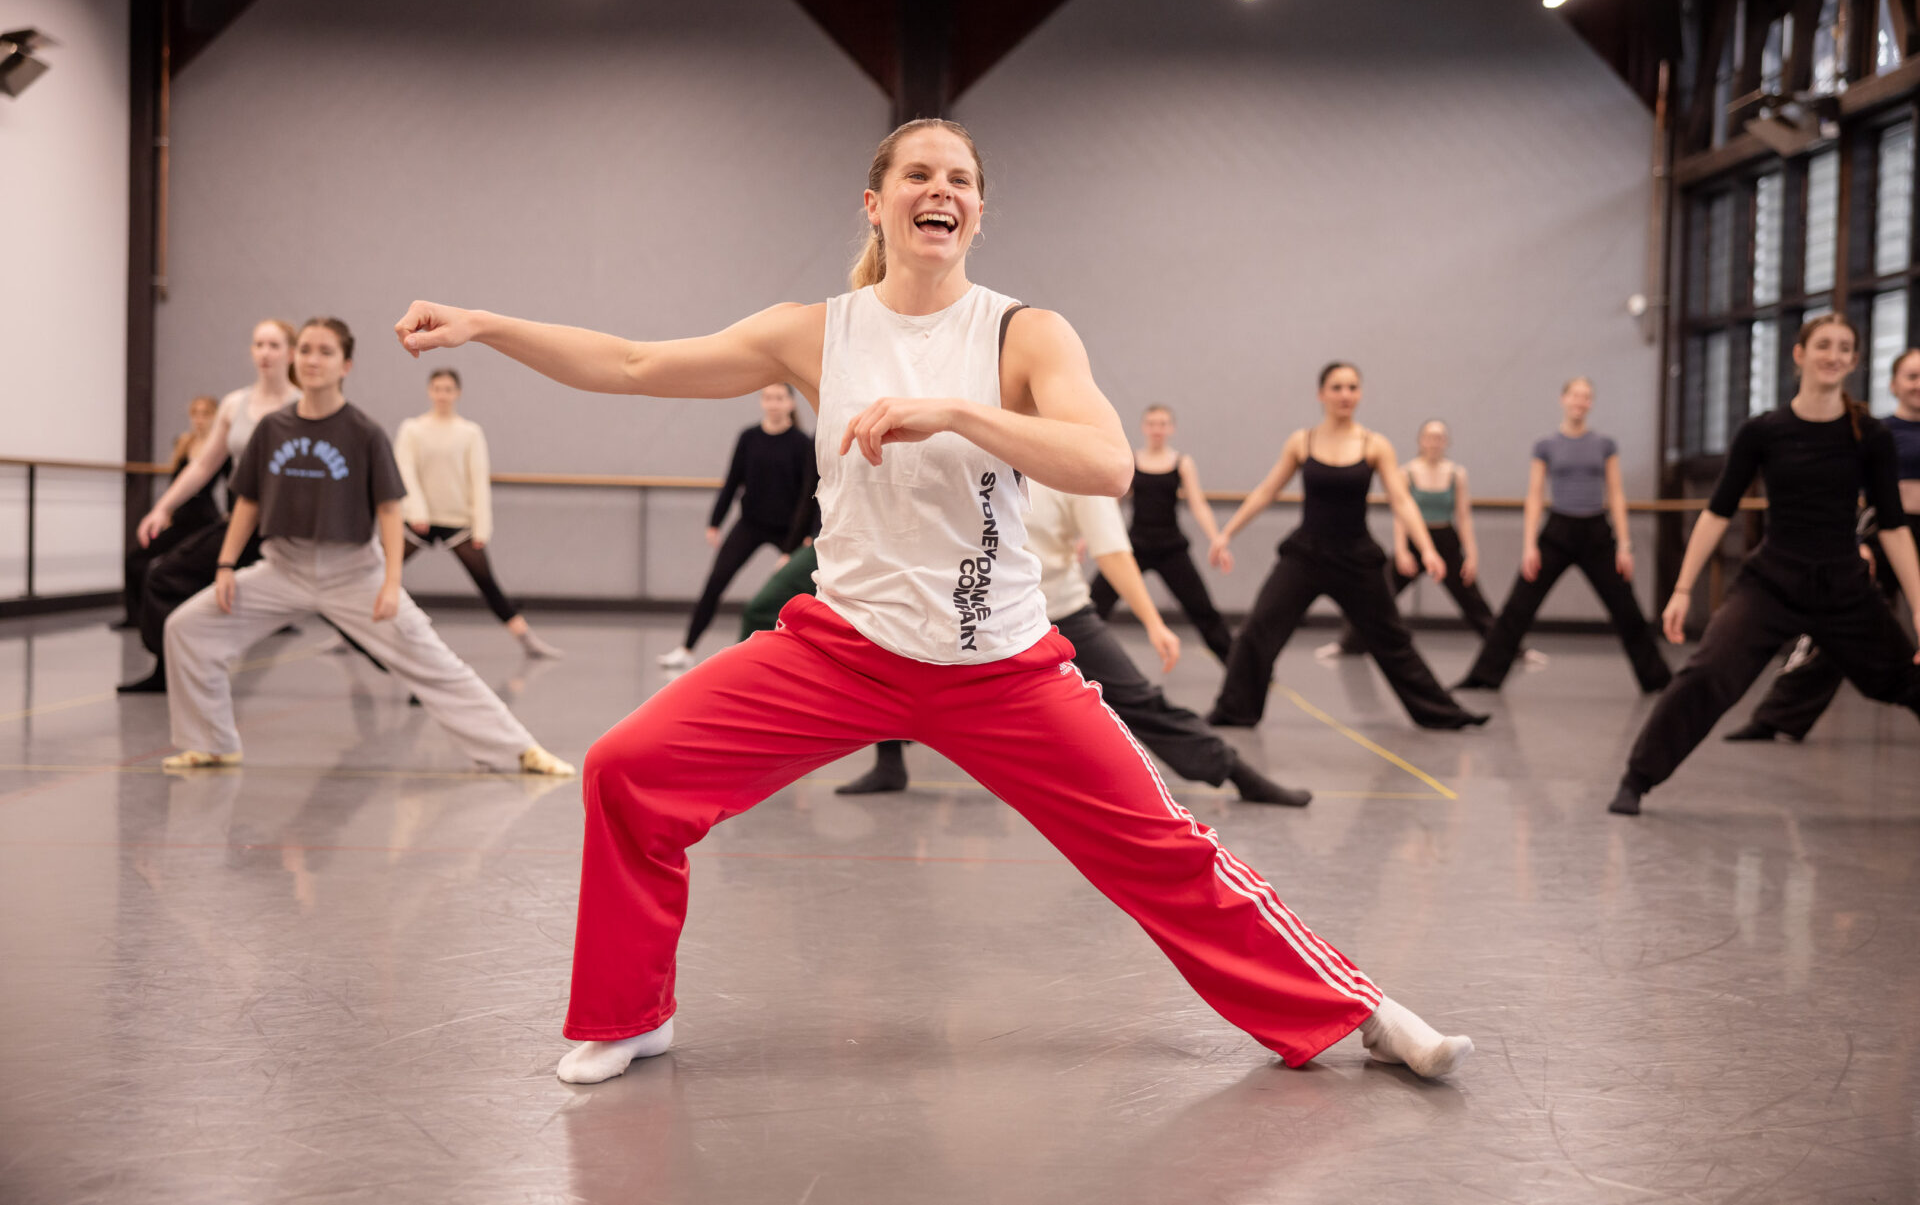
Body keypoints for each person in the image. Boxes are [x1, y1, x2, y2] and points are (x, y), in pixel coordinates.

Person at [394, 119, 1473, 1085]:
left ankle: (1358, 1008)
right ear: (878, 203)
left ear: (978, 211)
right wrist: (489, 325)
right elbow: (631, 363)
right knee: (627, 772)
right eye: (917, 172)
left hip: (1003, 665)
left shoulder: (1024, 335)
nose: (937, 188)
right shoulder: (815, 331)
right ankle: (630, 1017)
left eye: (958, 176)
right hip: (841, 651)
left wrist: (957, 414)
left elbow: (1105, 466)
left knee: (1165, 850)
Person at [161, 316, 575, 779]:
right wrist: (224, 565)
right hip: (283, 569)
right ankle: (212, 744)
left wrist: (392, 583)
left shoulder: (363, 432)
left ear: (346, 365)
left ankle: (519, 750)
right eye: (306, 351)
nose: (312, 360)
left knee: (433, 660)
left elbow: (391, 511)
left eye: (325, 352)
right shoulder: (272, 428)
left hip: (353, 573)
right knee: (187, 630)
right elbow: (249, 502)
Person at [751, 475, 1313, 805]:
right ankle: (889, 763)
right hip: (979, 616)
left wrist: (1153, 620)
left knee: (1137, 700)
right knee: (891, 660)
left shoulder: (1071, 467)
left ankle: (1233, 769)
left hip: (1058, 613)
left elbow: (1113, 550)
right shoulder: (977, 444)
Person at [1608, 315, 1920, 815]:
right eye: (1823, 345)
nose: (1833, 355)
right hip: (1772, 583)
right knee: (1707, 674)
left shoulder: (1871, 436)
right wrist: (1683, 588)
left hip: (1844, 587)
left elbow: (1893, 526)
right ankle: (1636, 778)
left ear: (1855, 362)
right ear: (1799, 354)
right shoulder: (1764, 431)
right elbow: (1717, 511)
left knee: (1908, 679)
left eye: (1844, 348)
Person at [1203, 363, 1489, 731]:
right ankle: (1234, 711)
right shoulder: (1301, 441)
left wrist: (1428, 549)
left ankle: (1443, 714)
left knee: (1392, 639)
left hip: (1356, 558)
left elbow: (1402, 501)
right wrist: (1227, 533)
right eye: (1337, 387)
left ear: (1360, 394)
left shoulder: (1374, 444)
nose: (1345, 395)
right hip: (1305, 555)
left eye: (1352, 387)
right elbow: (1267, 491)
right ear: (1321, 394)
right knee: (1259, 629)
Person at [1722, 345, 1920, 742]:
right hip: (1885, 533)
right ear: (1894, 384)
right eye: (1912, 376)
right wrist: (1854, 542)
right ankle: (1778, 715)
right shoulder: (1873, 431)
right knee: (1841, 631)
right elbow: (1844, 493)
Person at [119, 320, 303, 694]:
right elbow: (204, 465)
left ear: (290, 352)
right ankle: (167, 669)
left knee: (345, 606)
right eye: (259, 344)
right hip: (240, 522)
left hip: (287, 524)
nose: (265, 352)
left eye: (274, 345)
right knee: (163, 575)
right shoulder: (235, 404)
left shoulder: (303, 405)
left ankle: (413, 668)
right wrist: (163, 507)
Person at [1455, 378, 1671, 694]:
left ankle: (1658, 680)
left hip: (1597, 533)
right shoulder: (1546, 445)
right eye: (1575, 395)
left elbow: (1615, 494)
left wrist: (1625, 545)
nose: (1580, 402)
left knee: (1627, 608)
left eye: (1587, 397)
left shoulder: (1604, 445)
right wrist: (1529, 545)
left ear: (1591, 403)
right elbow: (1534, 494)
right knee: (1518, 605)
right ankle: (1484, 676)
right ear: (1563, 399)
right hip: (1557, 531)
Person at [394, 367, 562, 658]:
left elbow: (477, 479)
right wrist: (416, 512)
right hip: (417, 521)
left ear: (457, 393)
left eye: (448, 389)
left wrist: (481, 527)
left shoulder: (469, 433)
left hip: (457, 521)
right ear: (429, 391)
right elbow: (405, 472)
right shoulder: (412, 429)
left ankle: (526, 639)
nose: (442, 394)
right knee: (378, 573)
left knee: (487, 583)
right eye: (437, 388)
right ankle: (349, 635)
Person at [1320, 418, 1512, 660]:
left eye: (1439, 437)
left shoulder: (1456, 474)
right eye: (1429, 437)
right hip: (1414, 541)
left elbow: (1464, 516)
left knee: (1473, 600)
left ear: (1446, 442)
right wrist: (1401, 550)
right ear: (1421, 441)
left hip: (1446, 541)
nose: (1434, 442)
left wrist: (1472, 554)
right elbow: (1401, 514)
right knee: (1379, 592)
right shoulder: (1407, 472)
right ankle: (1350, 644)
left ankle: (1507, 648)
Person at [656, 384, 816, 668]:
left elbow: (808, 494)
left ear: (791, 404)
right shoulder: (749, 437)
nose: (773, 403)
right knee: (715, 582)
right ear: (761, 402)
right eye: (768, 398)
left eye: (779, 398)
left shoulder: (802, 442)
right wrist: (715, 521)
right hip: (751, 524)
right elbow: (732, 481)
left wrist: (799, 540)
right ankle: (686, 648)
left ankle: (807, 655)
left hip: (789, 530)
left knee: (807, 585)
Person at [1090, 405, 1234, 663]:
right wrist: (1086, 538)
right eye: (1152, 423)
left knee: (1203, 610)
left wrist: (1216, 539)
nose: (1157, 429)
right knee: (1094, 604)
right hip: (1134, 548)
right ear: (1144, 427)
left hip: (1172, 549)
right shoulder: (1131, 460)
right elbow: (1112, 504)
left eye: (1163, 424)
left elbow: (1198, 503)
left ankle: (1240, 669)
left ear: (1171, 428)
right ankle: (1068, 663)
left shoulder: (1182, 463)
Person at [116, 394, 223, 632]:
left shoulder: (218, 446)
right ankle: (135, 617)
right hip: (180, 517)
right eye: (195, 414)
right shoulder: (183, 444)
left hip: (204, 519)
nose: (199, 419)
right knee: (136, 560)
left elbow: (229, 482)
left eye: (205, 414)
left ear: (215, 417)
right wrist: (164, 509)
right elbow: (178, 481)